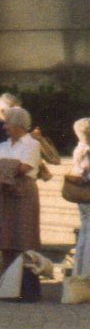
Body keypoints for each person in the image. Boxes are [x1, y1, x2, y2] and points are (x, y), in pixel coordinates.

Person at [0, 105, 41, 282]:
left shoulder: (32, 144)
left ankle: (24, 282)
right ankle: (7, 281)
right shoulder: (3, 145)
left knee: (24, 237)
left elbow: (24, 168)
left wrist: (3, 166)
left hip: (23, 194)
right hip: (4, 193)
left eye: (7, 123)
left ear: (18, 124)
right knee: (5, 239)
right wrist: (10, 166)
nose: (4, 127)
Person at [70, 118, 90, 278]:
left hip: (80, 195)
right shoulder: (87, 151)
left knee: (84, 231)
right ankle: (86, 273)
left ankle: (79, 270)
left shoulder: (79, 148)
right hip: (87, 191)